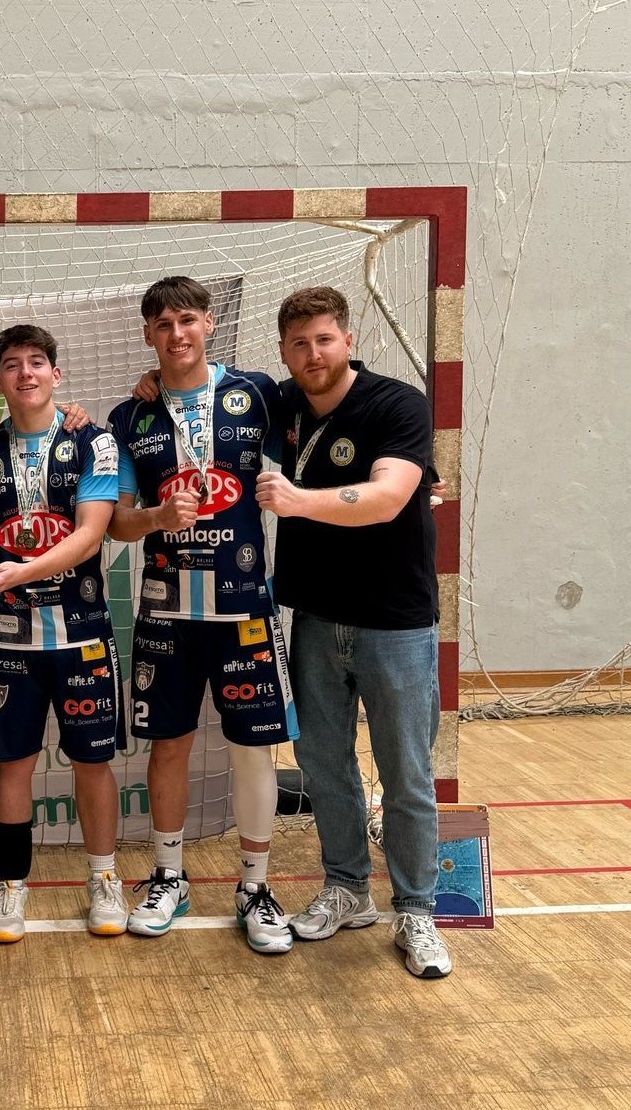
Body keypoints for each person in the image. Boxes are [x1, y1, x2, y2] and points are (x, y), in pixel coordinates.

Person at [256, 285, 452, 978]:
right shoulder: (281, 404)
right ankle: (347, 889)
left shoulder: (396, 404)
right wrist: (150, 383)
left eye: (324, 339)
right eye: (300, 344)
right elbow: (211, 396)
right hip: (314, 617)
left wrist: (297, 501)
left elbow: (390, 497)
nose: (314, 354)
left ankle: (417, 911)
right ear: (284, 352)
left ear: (348, 339)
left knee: (406, 772)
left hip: (395, 623)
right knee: (322, 765)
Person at [107, 277, 298, 952]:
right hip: (167, 614)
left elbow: (326, 430)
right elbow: (117, 523)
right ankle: (169, 877)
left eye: (186, 320)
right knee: (168, 747)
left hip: (244, 610)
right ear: (147, 335)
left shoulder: (257, 393)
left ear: (209, 324)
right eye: (162, 324)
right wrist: (157, 516)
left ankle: (255, 886)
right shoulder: (130, 416)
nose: (176, 333)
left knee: (254, 749)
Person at [0, 324, 130, 942]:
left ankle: (104, 878)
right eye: (12, 365)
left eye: (37, 362)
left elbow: (89, 536)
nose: (26, 373)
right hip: (12, 641)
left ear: (56, 374)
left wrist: (17, 572)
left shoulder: (93, 440)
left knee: (93, 763)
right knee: (12, 767)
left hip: (82, 635)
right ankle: (9, 887)